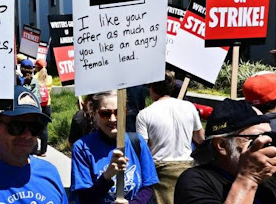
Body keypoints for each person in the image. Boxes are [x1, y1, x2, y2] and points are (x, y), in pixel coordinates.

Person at [175, 98, 276, 203]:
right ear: (222, 145)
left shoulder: (268, 180)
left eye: (270, 137)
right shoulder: (195, 180)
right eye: (256, 139)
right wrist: (248, 179)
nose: (266, 144)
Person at [71, 91, 159, 204]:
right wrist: (107, 176)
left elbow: (148, 187)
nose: (113, 119)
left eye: (118, 112)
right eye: (105, 114)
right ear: (95, 114)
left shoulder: (137, 142)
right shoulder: (82, 148)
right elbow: (84, 199)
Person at [135, 71, 204, 204]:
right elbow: (200, 139)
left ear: (152, 88)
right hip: (187, 167)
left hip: (160, 171)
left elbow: (142, 149)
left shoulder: (144, 114)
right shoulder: (189, 107)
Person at [31, 59, 52, 157]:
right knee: (44, 128)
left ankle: (34, 149)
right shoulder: (50, 78)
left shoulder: (34, 78)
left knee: (34, 127)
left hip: (38, 105)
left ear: (37, 67)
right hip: (47, 105)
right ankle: (43, 151)